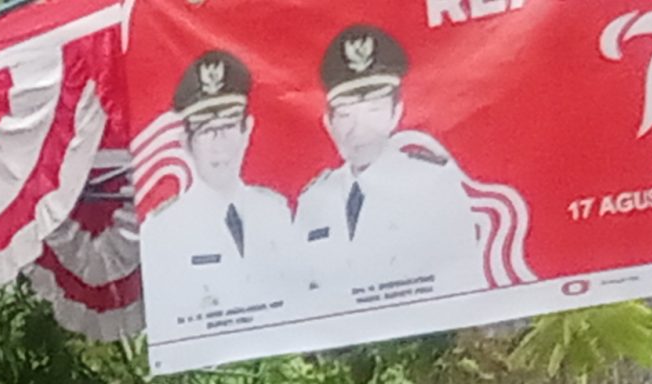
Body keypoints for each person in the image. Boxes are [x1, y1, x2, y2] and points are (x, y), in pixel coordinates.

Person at [292, 26, 485, 307]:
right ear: (327, 123)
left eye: (373, 111)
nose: (360, 130)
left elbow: (463, 280)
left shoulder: (431, 183)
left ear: (397, 114)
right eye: (345, 115)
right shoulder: (314, 199)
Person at [148, 51, 297, 321]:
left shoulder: (275, 212)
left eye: (228, 127)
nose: (220, 144)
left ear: (246, 130)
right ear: (186, 141)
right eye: (206, 131)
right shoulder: (164, 229)